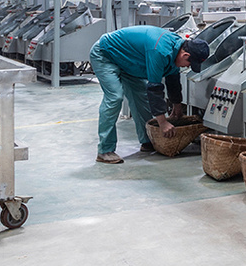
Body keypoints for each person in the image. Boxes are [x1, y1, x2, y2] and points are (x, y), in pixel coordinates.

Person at [89, 26, 210, 164]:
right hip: (106, 54)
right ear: (185, 55)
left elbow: (173, 81)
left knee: (141, 98)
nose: (187, 67)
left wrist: (177, 108)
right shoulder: (159, 51)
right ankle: (105, 150)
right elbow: (154, 89)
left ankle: (148, 141)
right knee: (115, 97)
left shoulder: (176, 49)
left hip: (128, 62)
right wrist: (162, 123)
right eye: (189, 64)